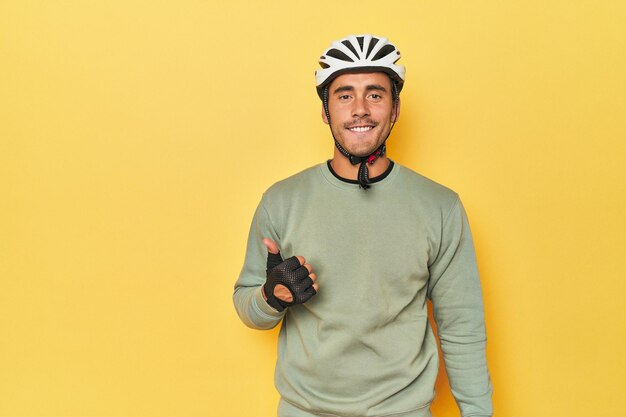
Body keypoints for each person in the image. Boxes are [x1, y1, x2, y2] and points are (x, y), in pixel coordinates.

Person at [233, 34, 493, 417]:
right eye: (344, 95)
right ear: (325, 111)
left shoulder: (440, 206)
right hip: (305, 409)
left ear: (395, 109)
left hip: (403, 410)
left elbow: (461, 328)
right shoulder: (282, 200)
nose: (359, 109)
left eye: (374, 95)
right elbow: (247, 306)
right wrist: (272, 297)